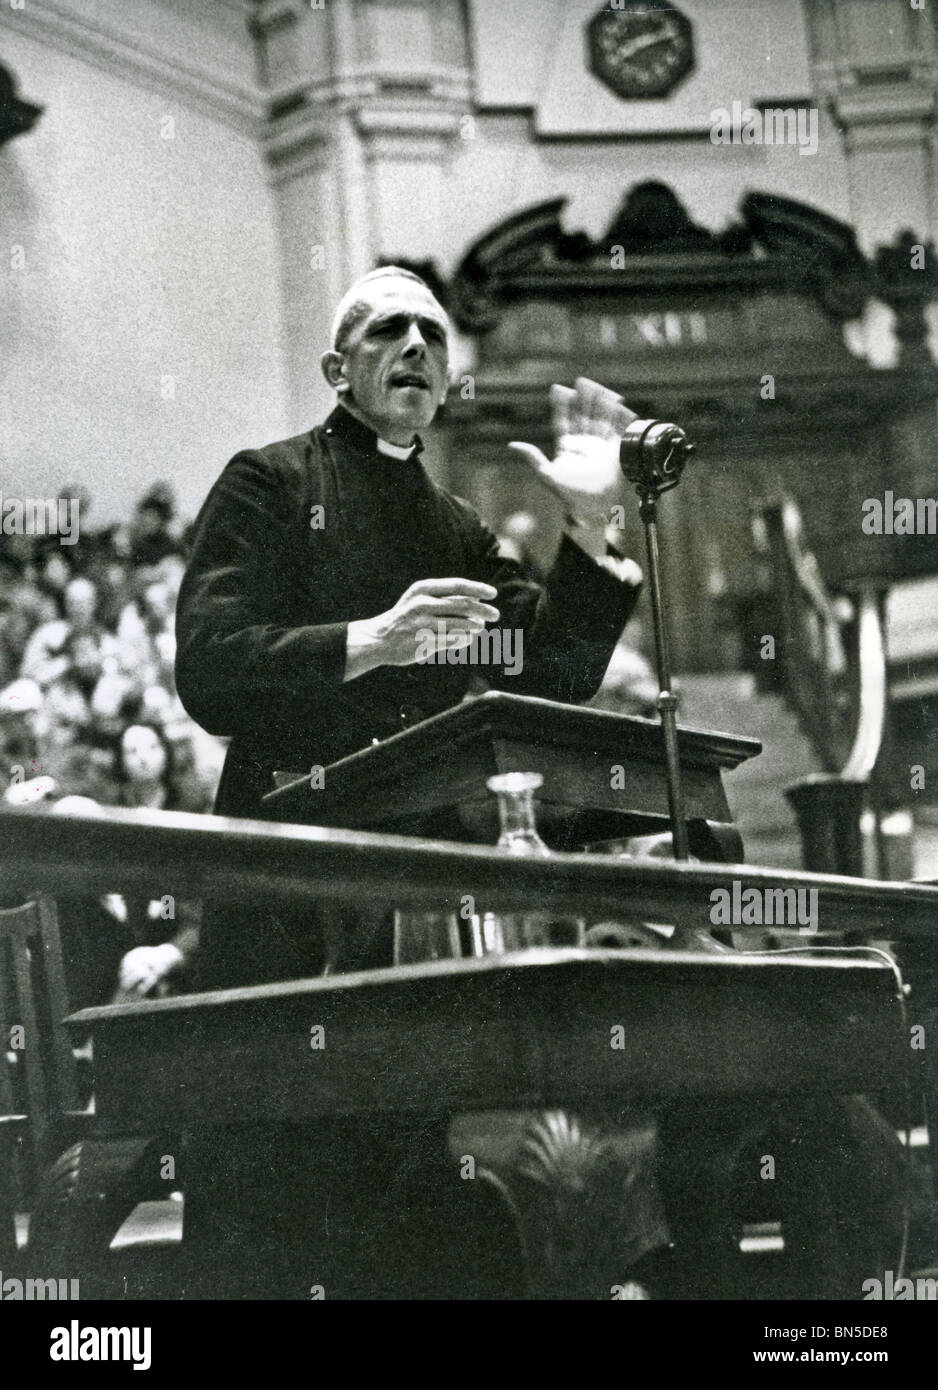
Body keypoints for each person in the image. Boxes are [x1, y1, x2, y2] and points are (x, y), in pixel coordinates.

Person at [175, 265, 644, 988]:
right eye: (390, 329)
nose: (417, 346)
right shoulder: (268, 482)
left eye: (434, 334)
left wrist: (588, 524)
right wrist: (374, 642)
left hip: (421, 874)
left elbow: (555, 669)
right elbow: (210, 670)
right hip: (289, 867)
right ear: (337, 369)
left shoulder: (456, 526)